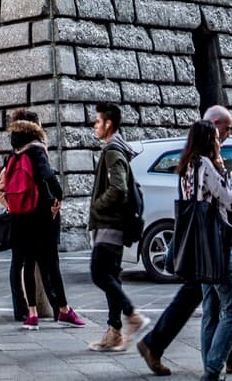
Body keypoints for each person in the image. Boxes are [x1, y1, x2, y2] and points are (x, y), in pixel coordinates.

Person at [137, 109, 232, 379]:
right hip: (214, 244)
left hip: (199, 244)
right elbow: (226, 200)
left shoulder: (187, 167)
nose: (223, 139)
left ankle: (220, 362)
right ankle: (214, 367)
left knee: (212, 307)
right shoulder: (205, 165)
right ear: (211, 134)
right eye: (221, 133)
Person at [0, 110, 78, 329]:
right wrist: (58, 194)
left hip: (19, 215)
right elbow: (47, 176)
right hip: (40, 215)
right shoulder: (36, 149)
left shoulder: (15, 151)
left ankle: (31, 313)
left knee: (28, 263)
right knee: (51, 262)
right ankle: (64, 309)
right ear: (35, 127)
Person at [86, 100, 148, 355]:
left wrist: (98, 206)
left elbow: (119, 188)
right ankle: (114, 331)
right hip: (114, 226)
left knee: (99, 274)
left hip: (109, 225)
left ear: (108, 124)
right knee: (111, 276)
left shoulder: (112, 151)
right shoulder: (115, 148)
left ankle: (133, 316)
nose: (95, 125)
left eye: (97, 121)